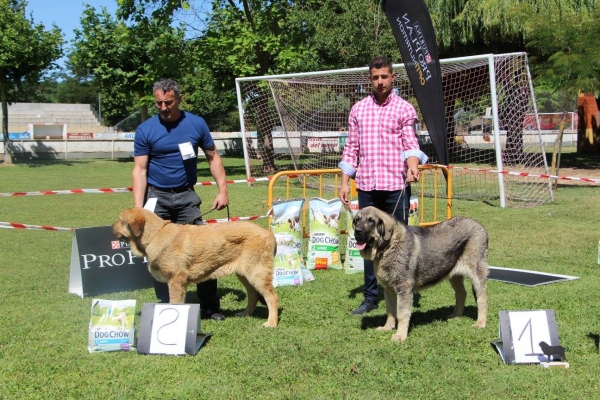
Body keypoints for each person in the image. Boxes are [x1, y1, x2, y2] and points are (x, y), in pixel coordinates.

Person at [132, 78, 229, 320]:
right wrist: (138, 209)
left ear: (179, 99)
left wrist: (223, 191)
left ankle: (209, 306)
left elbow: (213, 157)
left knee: (203, 250)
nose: (163, 108)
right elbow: (140, 170)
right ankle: (166, 305)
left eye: (168, 102)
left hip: (186, 195)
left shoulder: (196, 124)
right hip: (157, 197)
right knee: (158, 254)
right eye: (158, 103)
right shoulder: (146, 130)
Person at [338, 56, 428, 315]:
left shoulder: (404, 109)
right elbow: (351, 147)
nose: (380, 82)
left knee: (396, 242)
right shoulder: (358, 109)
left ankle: (401, 289)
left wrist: (412, 165)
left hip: (395, 187)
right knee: (366, 240)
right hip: (366, 185)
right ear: (370, 79)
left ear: (393, 78)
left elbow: (410, 144)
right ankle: (370, 296)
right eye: (375, 77)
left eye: (384, 77)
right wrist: (345, 182)